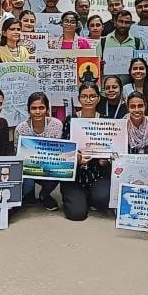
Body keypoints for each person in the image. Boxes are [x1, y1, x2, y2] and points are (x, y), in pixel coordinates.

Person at [61, 83, 112, 220]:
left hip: (97, 174)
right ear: (79, 98)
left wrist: (105, 160)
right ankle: (79, 198)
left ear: (98, 98)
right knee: (77, 214)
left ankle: (90, 197)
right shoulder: (70, 120)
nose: (88, 100)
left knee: (104, 199)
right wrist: (76, 159)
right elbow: (64, 150)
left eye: (92, 96)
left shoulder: (106, 121)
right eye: (84, 96)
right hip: (75, 176)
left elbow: (112, 149)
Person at [15, 91, 63, 210]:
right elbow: (18, 155)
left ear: (47, 109)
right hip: (29, 167)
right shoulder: (21, 129)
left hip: (50, 165)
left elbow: (61, 150)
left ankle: (44, 194)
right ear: (28, 110)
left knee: (62, 170)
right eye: (34, 108)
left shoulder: (57, 125)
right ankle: (26, 195)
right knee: (28, 184)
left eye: (41, 108)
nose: (37, 112)